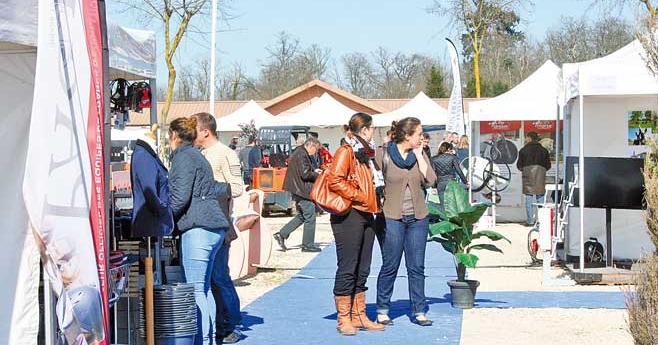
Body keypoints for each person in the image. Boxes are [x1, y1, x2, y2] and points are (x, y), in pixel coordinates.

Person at [168, 117, 231, 345]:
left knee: (195, 291)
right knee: (203, 289)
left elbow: (179, 198)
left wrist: (165, 221)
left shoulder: (183, 158)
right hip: (213, 226)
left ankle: (202, 340)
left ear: (174, 135)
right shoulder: (197, 155)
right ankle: (209, 338)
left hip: (199, 227)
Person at [374, 117, 437, 327]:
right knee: (390, 265)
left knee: (416, 267)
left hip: (418, 217)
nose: (422, 137)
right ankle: (382, 309)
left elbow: (431, 180)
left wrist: (420, 157)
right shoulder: (384, 155)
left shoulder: (420, 154)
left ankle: (419, 310)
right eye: (419, 134)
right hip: (393, 217)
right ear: (407, 136)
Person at [327, 112, 385, 335]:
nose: (374, 133)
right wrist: (360, 196)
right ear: (364, 130)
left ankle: (359, 314)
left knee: (363, 267)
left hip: (367, 213)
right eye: (372, 129)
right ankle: (344, 318)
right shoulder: (346, 150)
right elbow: (335, 180)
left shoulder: (366, 154)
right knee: (348, 266)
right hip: (348, 215)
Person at [192, 112, 245, 344]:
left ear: (205, 130)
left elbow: (237, 187)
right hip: (204, 223)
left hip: (220, 223)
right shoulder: (198, 153)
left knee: (220, 276)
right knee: (211, 278)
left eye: (194, 129)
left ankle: (230, 324)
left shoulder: (226, 154)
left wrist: (207, 190)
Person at [272, 137, 323, 253]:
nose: (315, 153)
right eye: (315, 150)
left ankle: (281, 234)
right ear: (311, 146)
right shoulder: (302, 154)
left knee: (302, 216)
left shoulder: (300, 152)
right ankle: (308, 245)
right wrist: (317, 174)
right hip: (301, 190)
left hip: (297, 189)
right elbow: (305, 174)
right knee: (310, 216)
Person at [517, 131, 551, 226]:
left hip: (528, 177)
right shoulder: (544, 150)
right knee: (540, 199)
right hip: (540, 177)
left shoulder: (523, 150)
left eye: (526, 138)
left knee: (529, 199)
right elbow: (548, 166)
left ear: (529, 138)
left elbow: (519, 166)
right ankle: (541, 221)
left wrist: (526, 170)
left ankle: (530, 221)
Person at [431, 142, 468, 213]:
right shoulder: (452, 157)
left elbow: (433, 173)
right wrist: (465, 181)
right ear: (449, 149)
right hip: (451, 183)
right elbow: (459, 170)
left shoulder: (434, 159)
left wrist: (434, 186)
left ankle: (445, 220)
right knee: (452, 205)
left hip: (440, 183)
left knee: (443, 205)